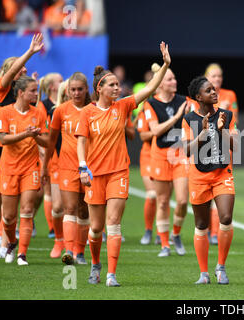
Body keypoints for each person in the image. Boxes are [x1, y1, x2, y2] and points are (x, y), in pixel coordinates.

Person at [75, 41, 170, 287]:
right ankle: (96, 264)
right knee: (95, 229)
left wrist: (165, 65)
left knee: (113, 224)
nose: (118, 88)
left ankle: (111, 274)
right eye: (113, 85)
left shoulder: (124, 105)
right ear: (100, 88)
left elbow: (149, 88)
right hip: (95, 175)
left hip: (119, 173)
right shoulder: (87, 112)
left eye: (118, 84)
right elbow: (81, 143)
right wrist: (83, 167)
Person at [182, 75, 238, 284]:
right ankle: (203, 273)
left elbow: (236, 147)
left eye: (214, 89)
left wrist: (223, 130)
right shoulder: (189, 119)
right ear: (198, 97)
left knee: (225, 218)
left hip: (223, 174)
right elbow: (186, 149)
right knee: (201, 223)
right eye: (209, 90)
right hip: (199, 177)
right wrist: (203, 133)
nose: (214, 92)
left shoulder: (226, 115)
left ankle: (220, 267)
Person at [0, 32, 44, 258]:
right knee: (1, 200)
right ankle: (2, 236)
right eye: (20, 69)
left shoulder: (22, 96)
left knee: (20, 205)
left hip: (19, 153)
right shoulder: (2, 87)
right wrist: (30, 51)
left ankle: (9, 243)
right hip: (1, 147)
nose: (23, 70)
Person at [144, 63, 194, 257]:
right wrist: (177, 118)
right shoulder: (151, 104)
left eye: (174, 78)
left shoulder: (185, 101)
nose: (175, 82)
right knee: (163, 201)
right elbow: (155, 131)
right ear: (161, 84)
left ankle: (176, 234)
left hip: (179, 154)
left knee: (182, 201)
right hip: (160, 155)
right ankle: (165, 244)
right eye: (170, 79)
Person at [41, 72, 92, 265]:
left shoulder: (93, 110)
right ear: (67, 90)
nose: (76, 93)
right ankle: (69, 250)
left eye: (80, 89)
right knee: (69, 207)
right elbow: (52, 141)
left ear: (86, 89)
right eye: (73, 89)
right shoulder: (61, 111)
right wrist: (45, 166)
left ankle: (80, 251)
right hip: (67, 166)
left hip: (89, 168)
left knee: (84, 210)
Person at [204, 63, 239, 245]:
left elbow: (234, 121)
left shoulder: (229, 94)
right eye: (213, 76)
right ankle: (207, 229)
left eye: (219, 76)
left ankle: (216, 233)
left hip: (224, 148)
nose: (217, 79)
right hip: (205, 149)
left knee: (221, 191)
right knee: (206, 195)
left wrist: (226, 110)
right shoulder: (200, 96)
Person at [37, 72, 64, 254]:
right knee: (47, 192)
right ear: (53, 87)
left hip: (65, 155)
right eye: (61, 81)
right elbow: (43, 132)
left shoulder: (63, 106)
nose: (64, 83)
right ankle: (52, 229)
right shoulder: (45, 106)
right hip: (50, 155)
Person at [136, 102, 158, 245]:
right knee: (152, 194)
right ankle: (148, 230)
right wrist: (160, 131)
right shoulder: (145, 111)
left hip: (167, 155)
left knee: (163, 197)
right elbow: (143, 135)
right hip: (149, 155)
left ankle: (163, 234)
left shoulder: (174, 109)